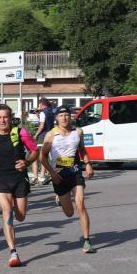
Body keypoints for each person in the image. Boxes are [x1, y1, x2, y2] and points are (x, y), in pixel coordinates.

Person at [0, 104, 39, 267]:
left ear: (11, 117)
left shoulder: (21, 132)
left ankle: (15, 205)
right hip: (1, 179)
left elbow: (35, 151)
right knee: (7, 212)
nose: (2, 120)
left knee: (20, 216)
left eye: (5, 117)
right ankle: (13, 252)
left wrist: (26, 162)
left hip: (19, 179)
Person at [42, 105, 96, 253]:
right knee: (69, 213)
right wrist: (52, 173)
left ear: (70, 116)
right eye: (61, 115)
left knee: (81, 205)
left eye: (66, 115)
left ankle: (87, 241)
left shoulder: (78, 132)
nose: (64, 118)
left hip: (75, 171)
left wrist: (88, 164)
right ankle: (59, 198)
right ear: (56, 118)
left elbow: (82, 150)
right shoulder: (51, 135)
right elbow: (43, 157)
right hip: (59, 175)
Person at [31, 98, 56, 185]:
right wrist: (38, 114)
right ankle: (42, 175)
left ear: (42, 104)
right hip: (50, 135)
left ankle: (37, 177)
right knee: (45, 156)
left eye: (39, 104)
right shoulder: (51, 112)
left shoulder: (43, 113)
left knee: (37, 156)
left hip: (42, 136)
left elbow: (41, 126)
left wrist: (36, 135)